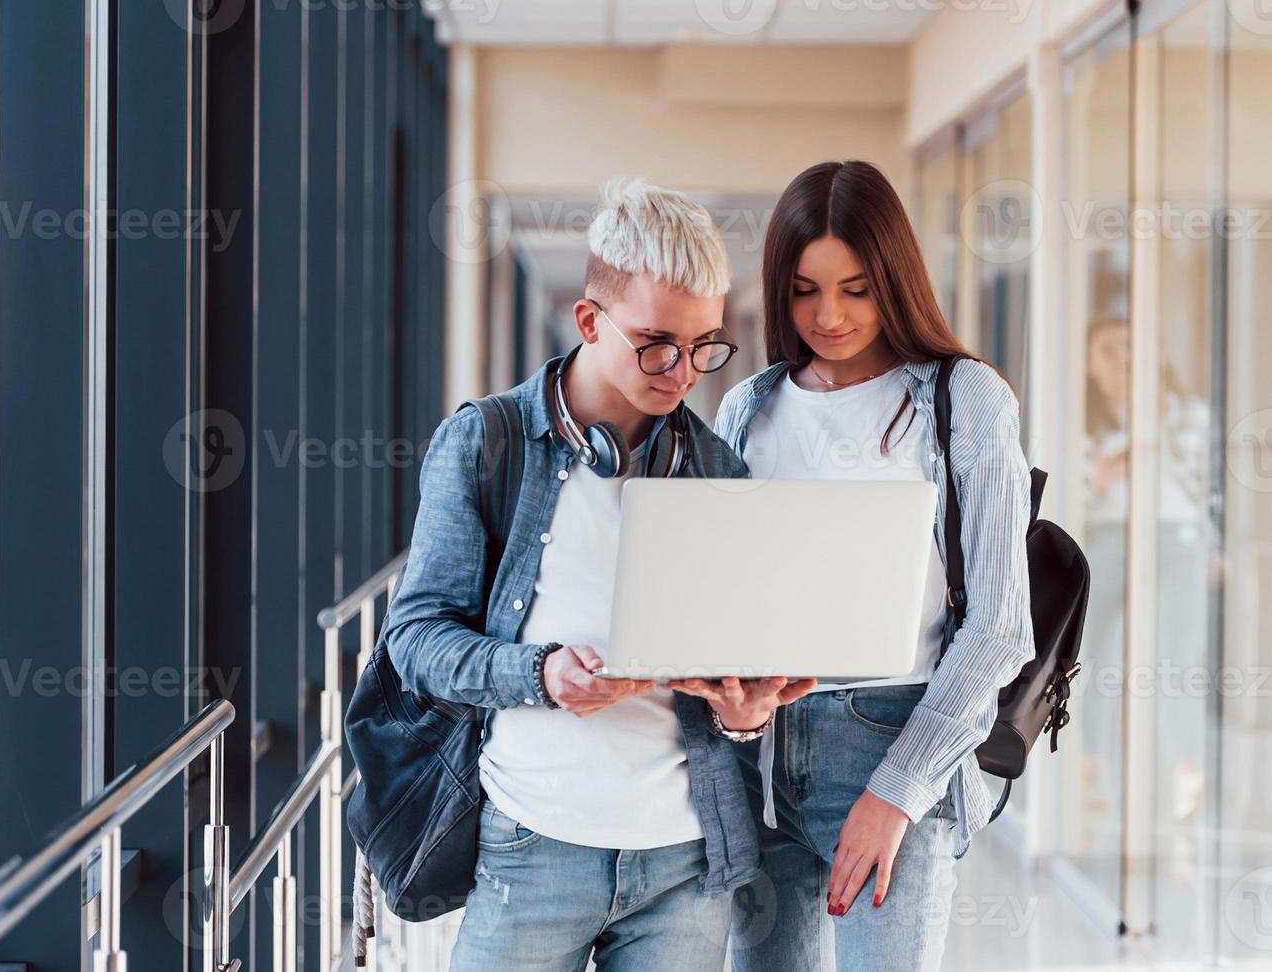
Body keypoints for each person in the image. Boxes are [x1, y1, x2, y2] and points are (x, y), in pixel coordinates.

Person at [382, 177, 814, 971]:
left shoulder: (717, 470)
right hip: (531, 848)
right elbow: (414, 642)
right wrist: (542, 674)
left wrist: (744, 711)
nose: (684, 371)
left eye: (704, 345)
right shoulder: (487, 443)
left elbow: (725, 678)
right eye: (656, 342)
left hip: (687, 862)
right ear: (589, 320)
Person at [712, 160, 1035, 971]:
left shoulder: (965, 398)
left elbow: (999, 627)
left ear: (894, 278)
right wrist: (735, 712)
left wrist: (896, 792)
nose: (829, 316)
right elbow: (723, 588)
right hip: (763, 750)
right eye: (804, 289)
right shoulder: (748, 407)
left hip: (897, 733)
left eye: (856, 289)